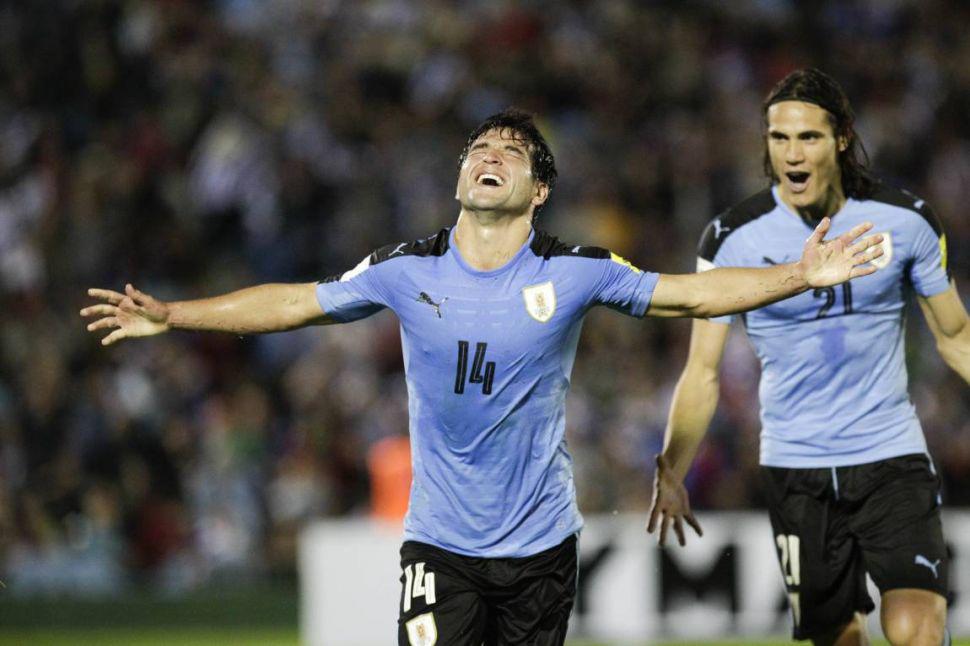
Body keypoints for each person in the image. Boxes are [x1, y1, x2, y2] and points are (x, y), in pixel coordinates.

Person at [82, 109, 881, 646]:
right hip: (439, 545)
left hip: (541, 551)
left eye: (513, 152)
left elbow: (688, 294)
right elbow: (296, 302)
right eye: (480, 147)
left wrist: (797, 276)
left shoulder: (576, 270)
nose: (490, 154)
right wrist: (174, 315)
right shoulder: (404, 269)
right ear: (462, 176)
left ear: (538, 192)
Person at [648, 69, 969, 646]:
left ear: (842, 138)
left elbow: (955, 338)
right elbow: (701, 371)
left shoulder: (907, 220)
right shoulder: (730, 239)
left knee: (913, 629)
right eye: (779, 138)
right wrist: (673, 466)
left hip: (890, 455)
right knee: (839, 639)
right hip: (795, 468)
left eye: (809, 137)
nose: (791, 153)